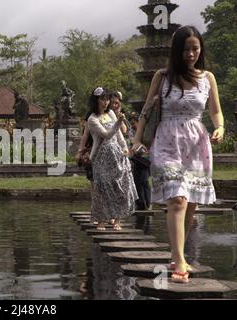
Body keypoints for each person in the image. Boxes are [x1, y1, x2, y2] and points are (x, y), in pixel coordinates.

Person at [131, 26, 225, 283]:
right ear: (177, 51)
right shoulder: (162, 77)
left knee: (191, 202)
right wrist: (137, 138)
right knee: (177, 200)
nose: (191, 54)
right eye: (186, 49)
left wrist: (220, 127)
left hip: (197, 142)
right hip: (167, 139)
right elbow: (147, 111)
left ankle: (177, 254)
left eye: (195, 48)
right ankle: (180, 262)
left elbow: (215, 110)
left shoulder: (208, 78)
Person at [87, 87, 138, 231]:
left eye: (107, 99)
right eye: (102, 99)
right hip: (101, 157)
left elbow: (119, 136)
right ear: (96, 100)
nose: (105, 102)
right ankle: (101, 220)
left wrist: (124, 147)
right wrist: (119, 122)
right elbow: (107, 134)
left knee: (120, 186)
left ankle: (117, 220)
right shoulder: (92, 119)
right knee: (102, 187)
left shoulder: (110, 113)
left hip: (117, 154)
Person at [128, 113, 151, 210]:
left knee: (144, 181)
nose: (133, 126)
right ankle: (140, 203)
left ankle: (147, 203)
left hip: (145, 160)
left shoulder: (144, 132)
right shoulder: (132, 132)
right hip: (136, 160)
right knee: (137, 181)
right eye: (131, 124)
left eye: (134, 123)